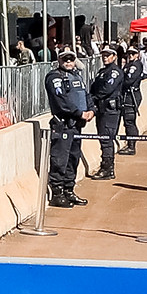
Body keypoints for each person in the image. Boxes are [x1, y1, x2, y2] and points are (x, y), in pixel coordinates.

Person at [44, 49, 93, 208]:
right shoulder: (54, 77)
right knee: (60, 159)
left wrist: (92, 110)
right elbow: (61, 100)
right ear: (59, 60)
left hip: (77, 125)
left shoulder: (77, 76)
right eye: (65, 59)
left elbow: (86, 95)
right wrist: (79, 113)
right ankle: (57, 193)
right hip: (63, 124)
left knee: (73, 158)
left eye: (71, 59)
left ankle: (69, 190)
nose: (68, 62)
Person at [88, 47, 127, 181]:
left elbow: (107, 88)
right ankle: (106, 167)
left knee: (106, 139)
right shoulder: (102, 71)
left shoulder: (115, 72)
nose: (105, 57)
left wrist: (94, 97)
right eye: (104, 55)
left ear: (114, 56)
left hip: (111, 111)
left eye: (108, 55)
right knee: (103, 138)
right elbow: (94, 87)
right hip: (101, 109)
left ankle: (107, 168)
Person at [117, 44, 143, 155]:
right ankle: (129, 143)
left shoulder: (136, 66)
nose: (130, 55)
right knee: (127, 121)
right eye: (129, 53)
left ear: (137, 54)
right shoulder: (128, 65)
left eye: (133, 53)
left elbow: (128, 80)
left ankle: (132, 146)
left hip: (131, 95)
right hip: (125, 95)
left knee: (129, 120)